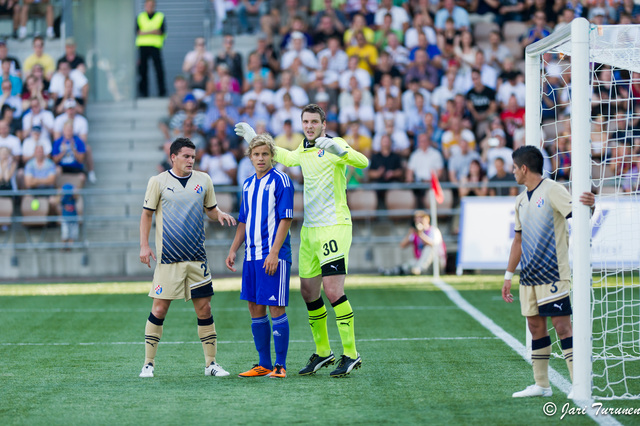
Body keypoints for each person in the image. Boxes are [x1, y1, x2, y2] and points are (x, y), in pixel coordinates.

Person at [235, 103, 369, 377]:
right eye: (305, 122)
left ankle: (351, 354)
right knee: (309, 292)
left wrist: (338, 150)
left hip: (334, 226)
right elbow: (284, 155)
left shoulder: (335, 145)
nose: (309, 126)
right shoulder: (304, 150)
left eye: (313, 122)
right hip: (309, 230)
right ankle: (323, 352)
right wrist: (255, 139)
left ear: (323, 124)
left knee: (333, 291)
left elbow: (363, 162)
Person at [502, 145, 595, 398]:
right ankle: (542, 385)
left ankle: (580, 385)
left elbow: (579, 213)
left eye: (513, 168)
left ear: (523, 168)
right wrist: (508, 276)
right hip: (529, 276)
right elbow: (518, 241)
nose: (512, 173)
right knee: (534, 327)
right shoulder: (520, 200)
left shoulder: (553, 189)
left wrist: (591, 206)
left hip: (553, 273)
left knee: (563, 326)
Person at [139, 137, 236, 378]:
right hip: (168, 260)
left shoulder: (204, 180)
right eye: (186, 156)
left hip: (196, 259)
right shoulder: (158, 182)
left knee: (205, 309)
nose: (191, 160)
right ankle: (148, 364)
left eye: (193, 156)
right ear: (173, 157)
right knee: (159, 309)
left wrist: (219, 214)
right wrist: (144, 245)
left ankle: (211, 364)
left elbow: (210, 210)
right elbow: (146, 215)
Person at [225, 133, 294, 379]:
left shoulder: (282, 181)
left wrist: (274, 252)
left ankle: (281, 365)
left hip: (273, 255)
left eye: (265, 154)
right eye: (256, 154)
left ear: (272, 155)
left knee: (276, 307)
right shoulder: (247, 184)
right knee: (255, 308)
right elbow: (243, 221)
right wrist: (234, 249)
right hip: (251, 256)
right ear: (250, 157)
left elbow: (286, 218)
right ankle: (263, 364)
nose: (261, 158)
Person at [136, 0, 167, 97]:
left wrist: (145, 32)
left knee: (159, 71)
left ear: (154, 5)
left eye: (152, 5)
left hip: (155, 47)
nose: (150, 6)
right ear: (145, 5)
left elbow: (161, 31)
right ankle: (143, 93)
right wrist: (153, 31)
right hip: (143, 47)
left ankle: (162, 92)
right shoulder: (140, 17)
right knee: (143, 71)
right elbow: (138, 32)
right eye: (148, 5)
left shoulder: (160, 16)